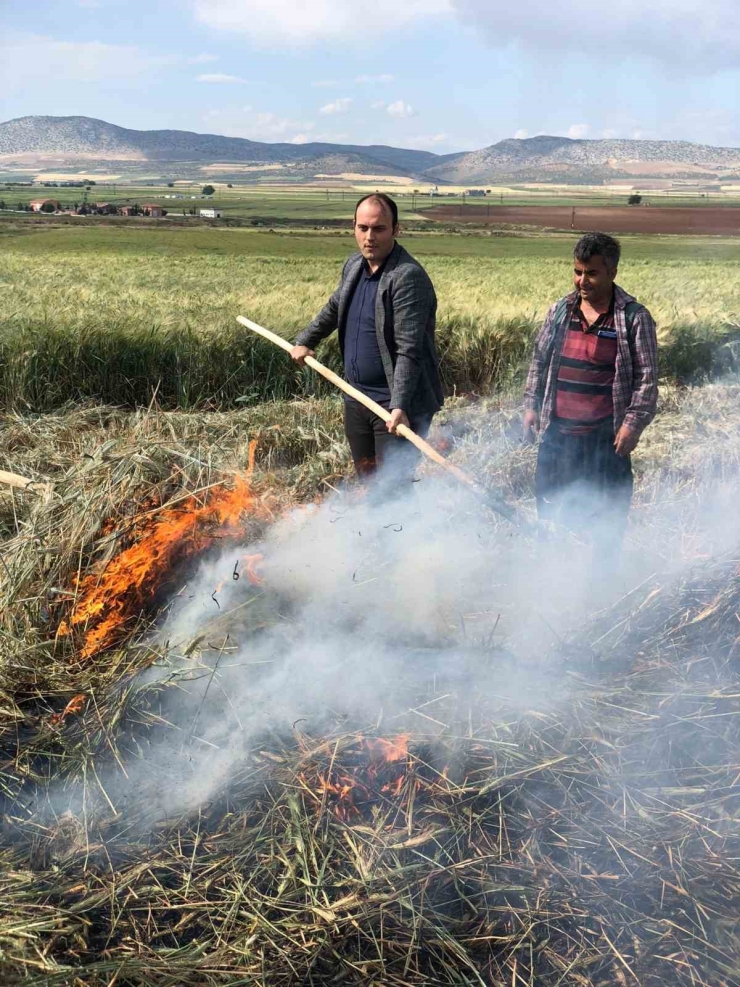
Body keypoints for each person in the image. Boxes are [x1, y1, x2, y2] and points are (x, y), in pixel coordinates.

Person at [523, 232, 658, 563]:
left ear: (612, 272)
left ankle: (599, 594)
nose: (582, 281)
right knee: (553, 521)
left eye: (592, 273)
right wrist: (530, 404)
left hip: (604, 442)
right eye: (578, 271)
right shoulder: (560, 311)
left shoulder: (633, 318)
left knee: (604, 526)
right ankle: (551, 583)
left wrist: (633, 424)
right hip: (557, 439)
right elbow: (540, 362)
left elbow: (647, 379)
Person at [291, 193, 443, 479]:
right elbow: (335, 307)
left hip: (394, 407)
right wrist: (306, 340)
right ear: (354, 227)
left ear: (396, 230)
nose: (369, 237)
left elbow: (410, 349)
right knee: (367, 480)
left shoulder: (406, 277)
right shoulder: (354, 265)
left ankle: (408, 526)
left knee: (392, 493)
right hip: (357, 397)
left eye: (379, 228)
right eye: (363, 228)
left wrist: (400, 405)